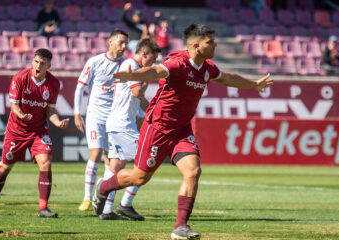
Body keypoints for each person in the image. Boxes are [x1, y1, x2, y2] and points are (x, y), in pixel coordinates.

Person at [93, 23, 273, 239]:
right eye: (210, 41)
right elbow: (156, 71)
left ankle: (180, 227)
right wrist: (133, 76)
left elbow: (227, 77)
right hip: (157, 128)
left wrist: (253, 85)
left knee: (193, 172)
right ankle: (103, 188)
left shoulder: (207, 68)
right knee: (140, 178)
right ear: (196, 45)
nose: (214, 44)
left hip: (182, 129)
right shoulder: (177, 63)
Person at [0, 48, 70, 218]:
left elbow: (50, 110)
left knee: (45, 162)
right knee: (5, 167)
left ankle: (43, 208)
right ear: (32, 61)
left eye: (42, 63)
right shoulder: (20, 78)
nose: (38, 66)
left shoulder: (53, 84)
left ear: (49, 66)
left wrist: (57, 122)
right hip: (16, 131)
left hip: (39, 130)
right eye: (36, 62)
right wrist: (21, 115)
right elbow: (14, 106)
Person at [97, 38, 162, 221]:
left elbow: (139, 98)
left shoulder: (133, 67)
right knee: (147, 162)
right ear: (144, 54)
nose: (153, 64)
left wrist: (153, 113)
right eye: (152, 59)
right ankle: (125, 204)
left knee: (116, 166)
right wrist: (148, 77)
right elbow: (137, 92)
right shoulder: (130, 64)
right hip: (122, 125)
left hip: (119, 124)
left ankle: (106, 210)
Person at [74, 30, 132, 218]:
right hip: (95, 116)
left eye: (126, 44)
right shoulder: (95, 62)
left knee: (112, 161)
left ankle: (105, 204)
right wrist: (77, 113)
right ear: (111, 42)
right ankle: (86, 197)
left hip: (115, 119)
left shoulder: (126, 65)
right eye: (121, 42)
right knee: (96, 153)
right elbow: (80, 87)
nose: (124, 47)